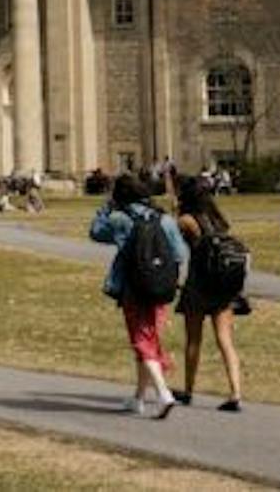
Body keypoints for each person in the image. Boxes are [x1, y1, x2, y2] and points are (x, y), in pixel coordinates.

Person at [89, 172, 183, 418]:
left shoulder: (121, 219)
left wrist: (105, 209)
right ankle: (138, 398)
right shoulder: (164, 219)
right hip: (160, 287)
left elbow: (96, 232)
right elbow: (180, 253)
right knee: (149, 339)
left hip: (133, 287)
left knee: (142, 341)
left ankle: (163, 394)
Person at [173, 177, 244, 413]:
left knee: (193, 340)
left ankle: (188, 390)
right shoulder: (218, 219)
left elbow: (174, 239)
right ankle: (235, 392)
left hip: (198, 284)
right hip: (222, 284)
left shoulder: (187, 220)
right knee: (225, 340)